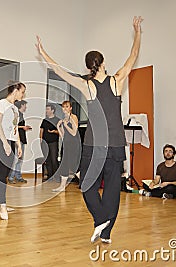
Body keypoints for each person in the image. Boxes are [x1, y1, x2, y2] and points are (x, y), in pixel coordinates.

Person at [36, 16, 143, 243]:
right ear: (103, 63)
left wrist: (43, 52)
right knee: (113, 189)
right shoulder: (117, 80)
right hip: (115, 145)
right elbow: (133, 56)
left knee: (87, 185)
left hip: (94, 145)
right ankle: (105, 229)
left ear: (88, 67)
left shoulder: (86, 85)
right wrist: (137, 32)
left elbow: (59, 70)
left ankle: (101, 223)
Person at [0, 81, 25, 220]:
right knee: (2, 173)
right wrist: (5, 143)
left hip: (10, 141)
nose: (23, 94)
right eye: (22, 91)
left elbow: (14, 128)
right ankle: (3, 206)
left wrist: (18, 144)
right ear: (15, 90)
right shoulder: (2, 103)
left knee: (4, 172)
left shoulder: (15, 109)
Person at [53, 101, 81, 192]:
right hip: (66, 144)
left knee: (74, 166)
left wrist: (65, 125)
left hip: (74, 144)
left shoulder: (73, 117)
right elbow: (63, 136)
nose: (64, 108)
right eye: (63, 107)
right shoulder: (64, 118)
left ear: (70, 108)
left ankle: (86, 184)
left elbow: (74, 132)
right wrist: (58, 127)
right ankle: (62, 187)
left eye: (67, 106)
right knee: (64, 165)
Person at [8, 100, 31, 184]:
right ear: (21, 105)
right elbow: (12, 125)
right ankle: (11, 177)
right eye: (25, 105)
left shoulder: (21, 115)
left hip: (22, 139)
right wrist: (23, 127)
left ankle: (18, 176)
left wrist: (23, 127)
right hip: (17, 140)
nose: (26, 107)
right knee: (15, 160)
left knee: (20, 160)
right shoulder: (16, 114)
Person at [40, 104, 60, 181]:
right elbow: (41, 130)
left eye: (48, 109)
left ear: (52, 110)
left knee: (54, 159)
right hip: (45, 143)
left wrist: (54, 131)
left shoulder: (57, 120)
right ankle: (50, 176)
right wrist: (40, 140)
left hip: (53, 142)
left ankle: (57, 177)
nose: (46, 111)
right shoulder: (44, 120)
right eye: (46, 109)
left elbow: (61, 132)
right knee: (47, 160)